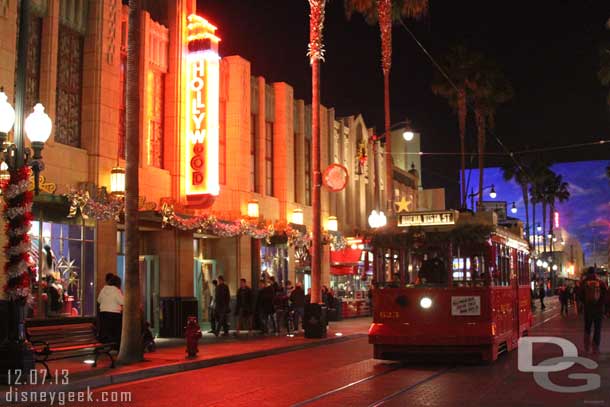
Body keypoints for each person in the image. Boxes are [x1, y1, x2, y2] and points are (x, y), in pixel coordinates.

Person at [580, 267, 607, 354]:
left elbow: (580, 296)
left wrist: (585, 302)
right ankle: (595, 347)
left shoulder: (584, 282)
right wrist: (601, 305)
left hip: (588, 309)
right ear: (595, 273)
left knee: (587, 328)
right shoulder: (600, 282)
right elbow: (605, 295)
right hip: (598, 310)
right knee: (597, 328)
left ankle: (586, 347)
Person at [97, 274, 123, 348]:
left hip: (103, 314)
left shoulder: (103, 289)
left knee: (106, 331)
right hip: (114, 314)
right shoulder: (116, 290)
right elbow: (122, 302)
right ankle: (115, 346)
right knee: (116, 332)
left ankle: (106, 346)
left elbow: (99, 300)